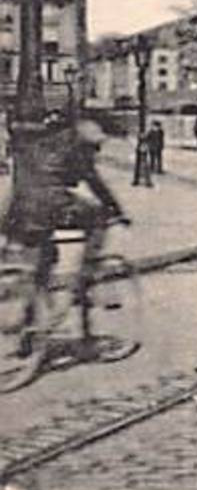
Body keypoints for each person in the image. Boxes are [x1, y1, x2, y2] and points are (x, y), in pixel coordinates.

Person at [3, 115, 129, 354]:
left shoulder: (49, 138)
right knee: (97, 216)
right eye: (101, 134)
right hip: (51, 203)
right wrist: (117, 211)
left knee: (41, 265)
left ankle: (29, 331)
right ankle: (87, 271)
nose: (101, 142)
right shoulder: (79, 144)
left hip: (20, 203)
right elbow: (94, 181)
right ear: (91, 128)